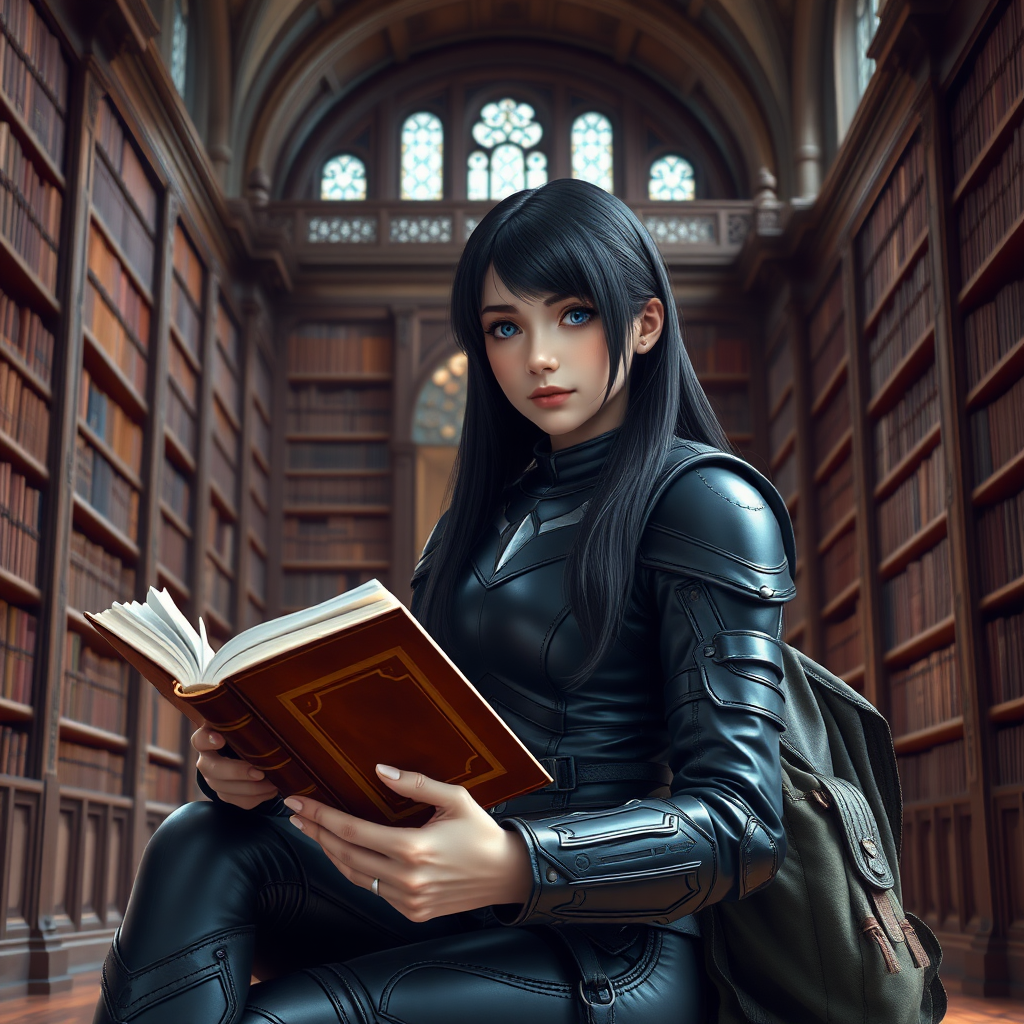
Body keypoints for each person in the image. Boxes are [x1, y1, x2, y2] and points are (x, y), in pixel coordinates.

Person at [93, 178, 796, 1024]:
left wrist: (514, 862)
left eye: (573, 314)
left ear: (645, 324)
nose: (538, 354)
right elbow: (426, 745)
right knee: (198, 842)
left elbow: (745, 823)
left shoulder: (711, 504)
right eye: (506, 326)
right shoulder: (477, 519)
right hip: (446, 890)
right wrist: (266, 771)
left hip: (612, 944)